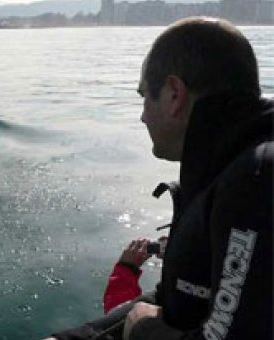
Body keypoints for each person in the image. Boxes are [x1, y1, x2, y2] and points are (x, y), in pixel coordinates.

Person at [46, 16, 273, 340]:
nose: (141, 116)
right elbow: (178, 306)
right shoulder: (230, 172)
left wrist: (145, 331)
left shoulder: (257, 181)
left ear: (173, 94)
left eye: (143, 96)